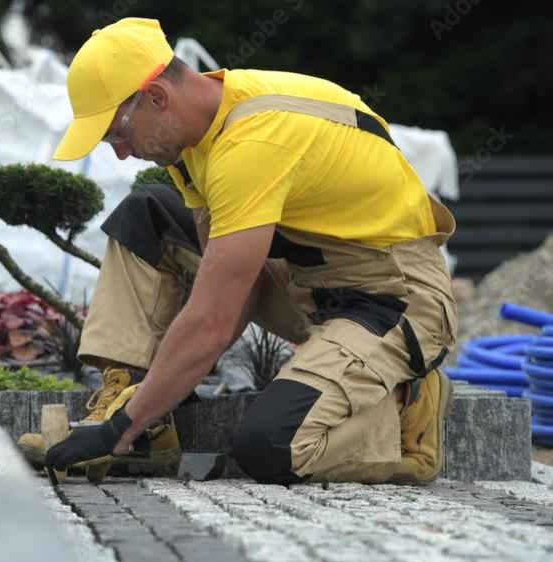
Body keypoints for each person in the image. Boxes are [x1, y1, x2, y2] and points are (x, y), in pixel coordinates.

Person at [42, 17, 458, 486]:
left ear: (156, 97)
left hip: (392, 302)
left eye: (116, 134)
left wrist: (120, 427)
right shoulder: (194, 137)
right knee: (148, 216)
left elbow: (213, 321)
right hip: (308, 279)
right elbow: (228, 287)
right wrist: (143, 409)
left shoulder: (254, 140)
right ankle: (145, 429)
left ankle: (405, 412)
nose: (120, 153)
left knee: (271, 447)